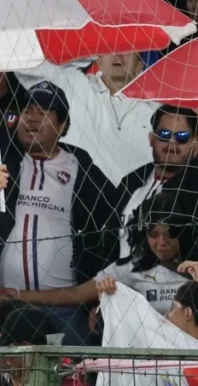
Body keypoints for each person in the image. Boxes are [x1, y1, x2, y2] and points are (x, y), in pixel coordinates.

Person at [0, 82, 119, 345]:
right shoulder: (5, 160)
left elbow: (109, 228)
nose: (31, 117)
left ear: (62, 125)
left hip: (63, 306)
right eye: (27, 110)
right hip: (5, 306)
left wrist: (95, 298)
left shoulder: (80, 165)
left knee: (78, 370)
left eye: (43, 111)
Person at [3, 193, 198, 317]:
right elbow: (75, 294)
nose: (162, 243)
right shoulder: (131, 268)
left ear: (184, 232)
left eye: (170, 234)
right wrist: (17, 294)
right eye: (153, 234)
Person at [14, 52, 157, 184]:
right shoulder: (71, 82)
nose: (118, 55)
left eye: (127, 50)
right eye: (111, 48)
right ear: (98, 60)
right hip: (69, 194)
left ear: (140, 65)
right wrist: (84, 51)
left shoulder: (158, 108)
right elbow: (20, 62)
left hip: (134, 204)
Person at [116, 106, 198, 258]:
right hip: (118, 277)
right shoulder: (131, 180)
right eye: (164, 134)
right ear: (151, 139)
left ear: (194, 144)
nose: (172, 143)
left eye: (181, 136)